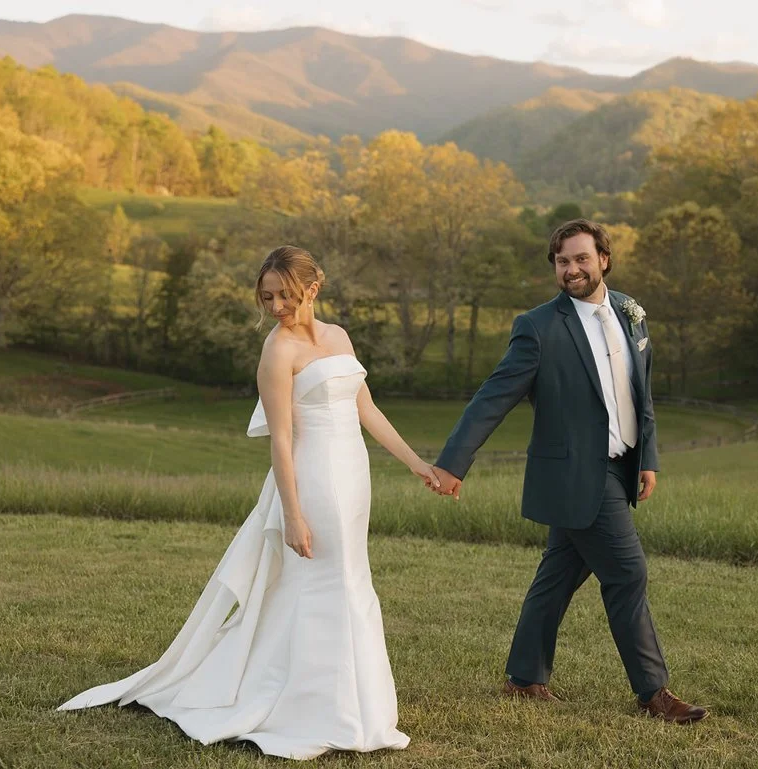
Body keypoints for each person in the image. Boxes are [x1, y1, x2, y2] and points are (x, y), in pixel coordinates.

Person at [58, 245, 439, 759]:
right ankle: (318, 708)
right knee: (324, 583)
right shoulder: (277, 351)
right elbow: (281, 440)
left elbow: (366, 409)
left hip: (354, 475)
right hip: (313, 478)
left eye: (285, 294)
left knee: (353, 578)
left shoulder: (340, 337)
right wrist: (294, 514)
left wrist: (417, 463)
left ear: (313, 287)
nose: (277, 305)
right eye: (267, 297)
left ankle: (361, 705)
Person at [431, 219, 707, 724]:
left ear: (604, 259)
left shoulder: (630, 313)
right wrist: (453, 464)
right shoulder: (538, 327)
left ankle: (523, 677)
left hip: (621, 464)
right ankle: (654, 694)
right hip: (579, 473)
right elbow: (493, 397)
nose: (572, 269)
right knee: (627, 572)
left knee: (559, 573)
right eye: (562, 261)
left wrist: (647, 457)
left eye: (581, 259)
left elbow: (640, 393)